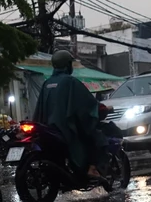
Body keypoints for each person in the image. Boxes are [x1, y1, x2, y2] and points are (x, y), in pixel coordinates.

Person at [33, 49, 108, 178]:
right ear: (68, 65)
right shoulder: (70, 82)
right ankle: (91, 168)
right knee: (95, 136)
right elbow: (87, 104)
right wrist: (98, 108)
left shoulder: (47, 83)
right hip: (66, 128)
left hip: (49, 128)